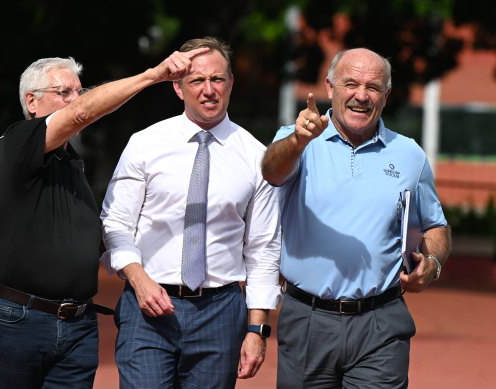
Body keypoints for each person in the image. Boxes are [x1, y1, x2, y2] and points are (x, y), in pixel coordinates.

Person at [0, 48, 208, 388]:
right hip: (21, 321)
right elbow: (82, 114)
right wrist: (152, 76)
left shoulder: (70, 161)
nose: (75, 100)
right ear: (31, 102)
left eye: (78, 91)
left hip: (78, 326)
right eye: (63, 92)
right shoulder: (17, 143)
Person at [261, 48, 451, 388]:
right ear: (330, 87)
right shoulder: (297, 140)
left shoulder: (409, 154)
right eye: (351, 84)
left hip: (381, 323)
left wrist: (432, 262)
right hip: (307, 318)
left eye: (373, 87)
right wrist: (297, 141)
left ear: (386, 95)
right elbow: (272, 171)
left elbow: (435, 224)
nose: (361, 96)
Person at [100, 36, 281, 388]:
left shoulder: (257, 156)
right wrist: (138, 279)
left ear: (231, 84)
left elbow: (263, 248)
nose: (209, 90)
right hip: (148, 307)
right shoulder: (145, 143)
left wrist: (257, 329)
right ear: (178, 88)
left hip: (221, 311)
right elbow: (116, 221)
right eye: (197, 81)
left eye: (217, 79)